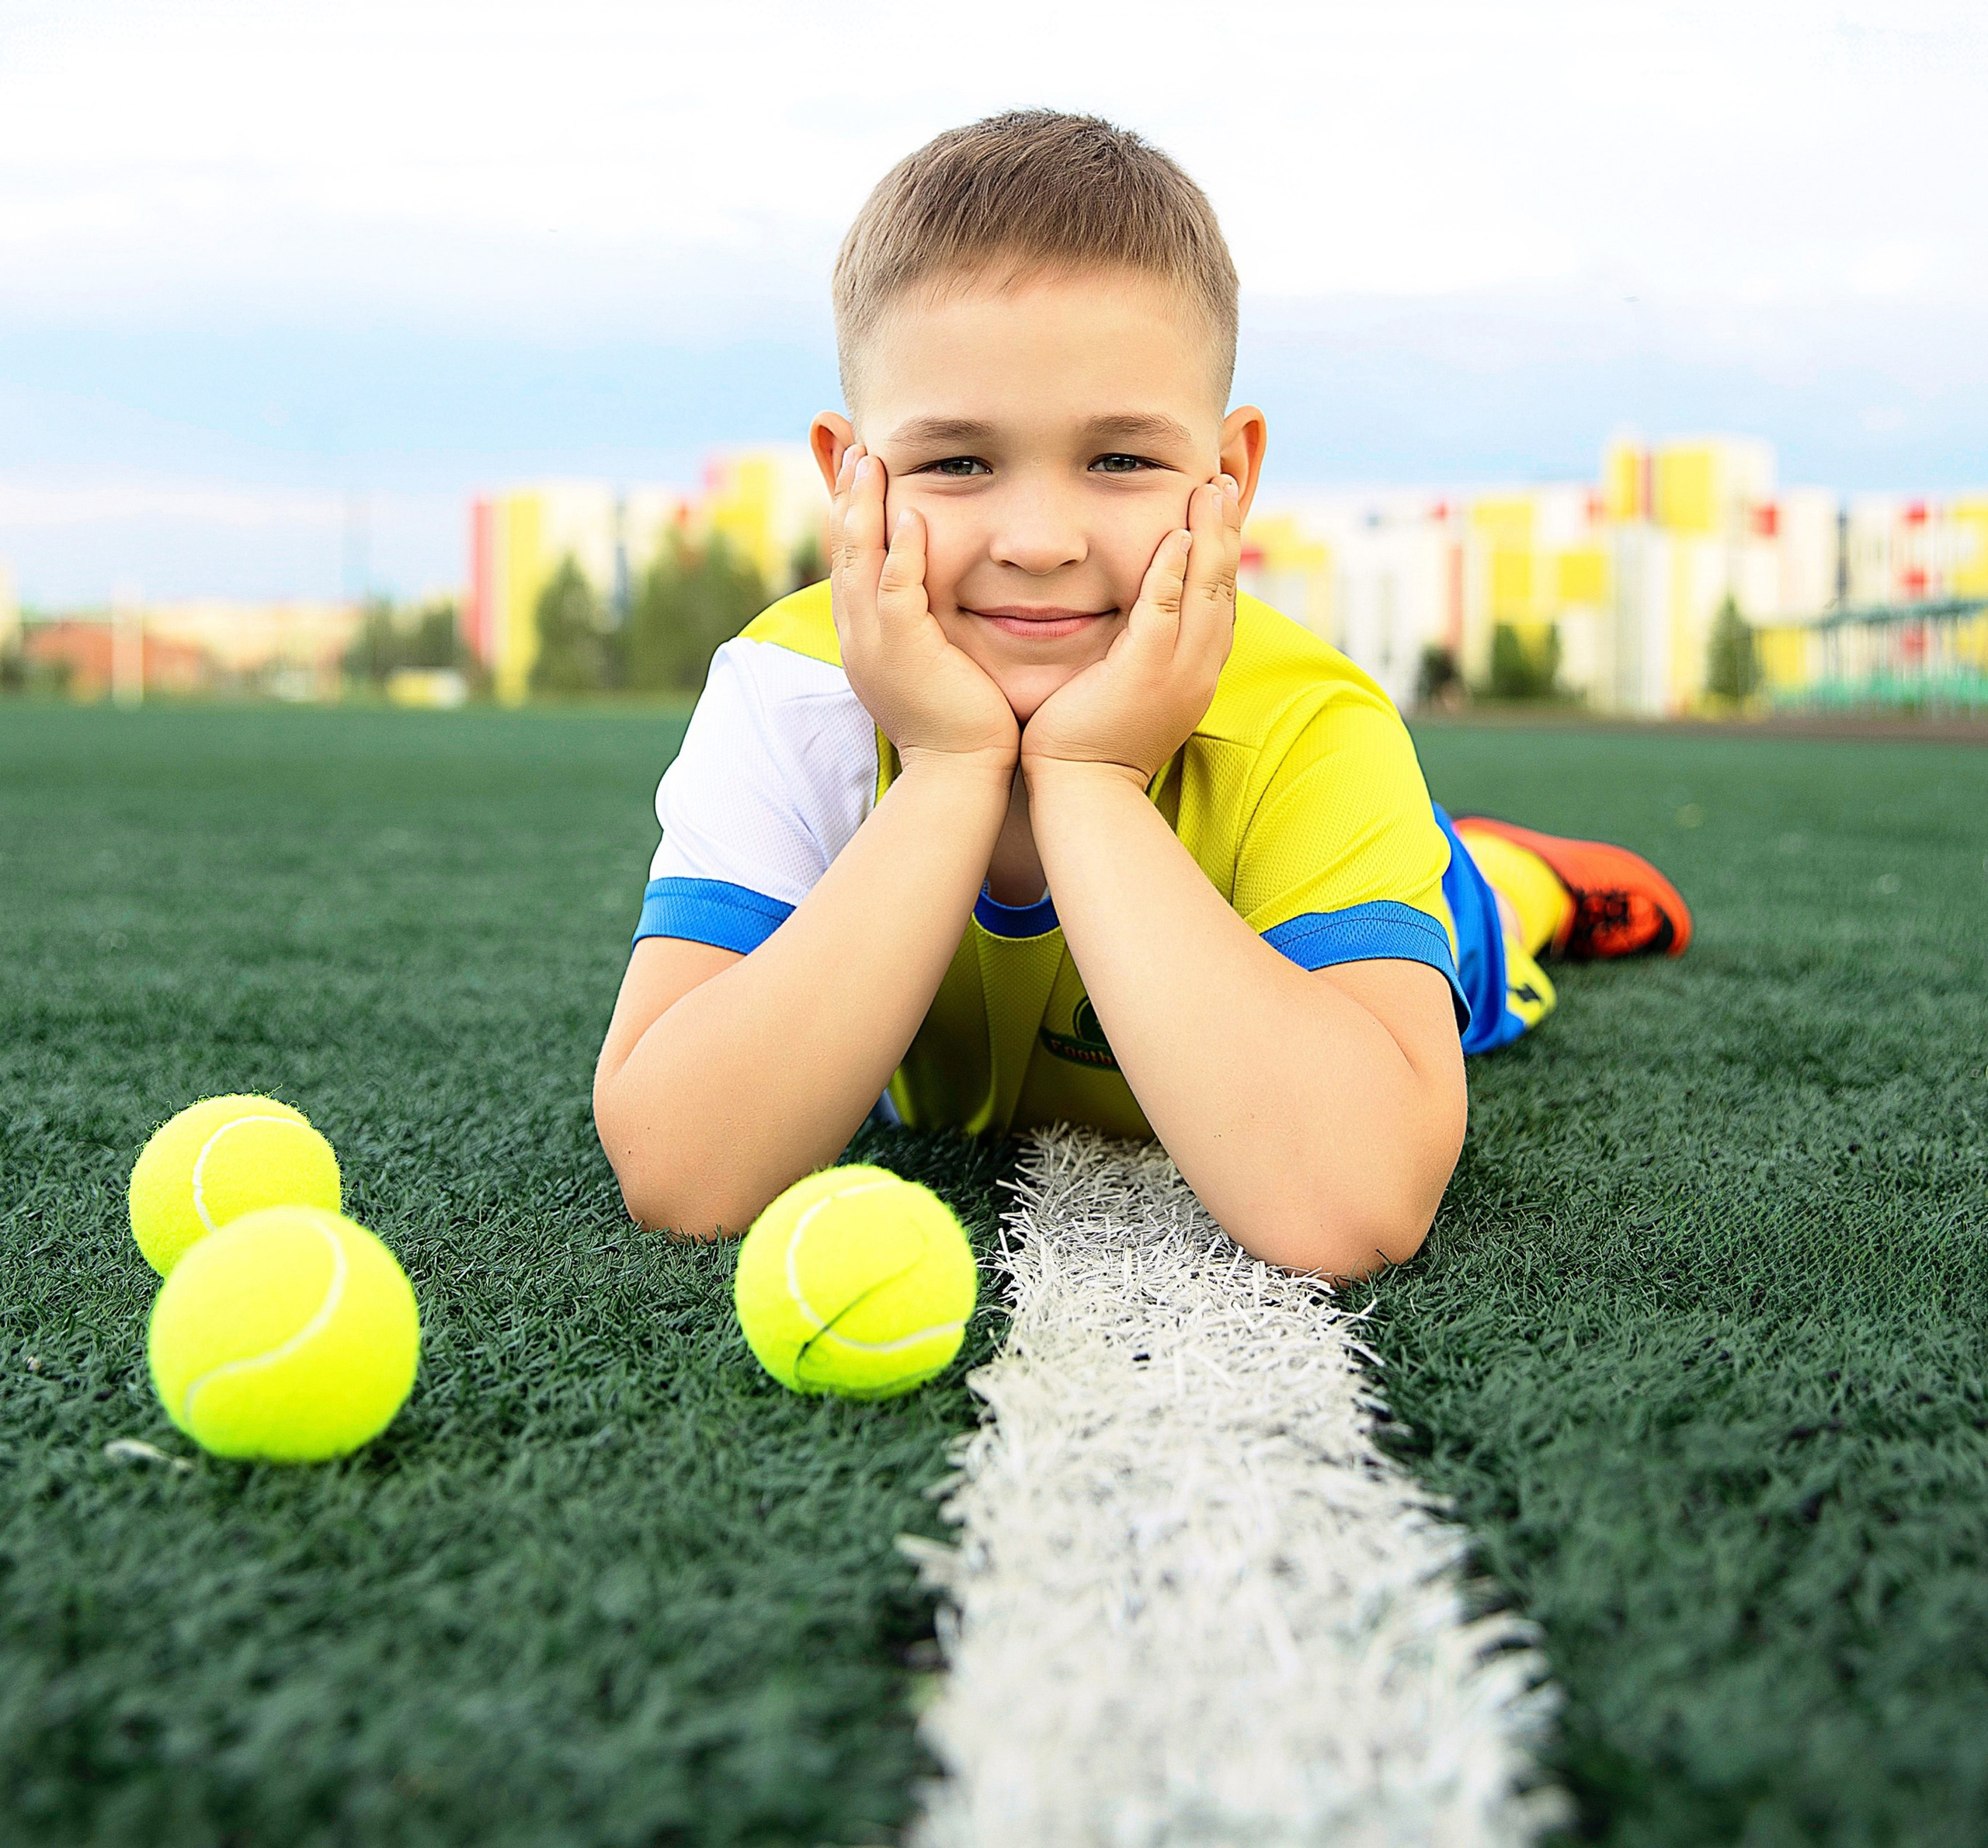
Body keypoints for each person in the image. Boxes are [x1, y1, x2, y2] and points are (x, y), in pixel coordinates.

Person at [594, 111, 1691, 1280]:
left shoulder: (1310, 724)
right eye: (957, 461)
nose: (1038, 541)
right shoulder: (790, 692)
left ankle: (1513, 878)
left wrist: (1089, 780)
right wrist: (951, 769)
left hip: (1362, 904)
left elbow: (1358, 1208)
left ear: (1231, 474)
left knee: (1473, 924)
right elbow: (682, 1173)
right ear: (848, 476)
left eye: (1119, 459)